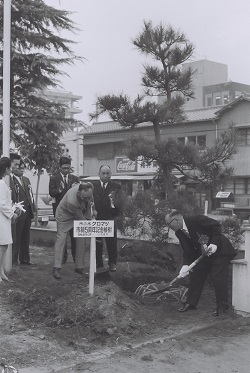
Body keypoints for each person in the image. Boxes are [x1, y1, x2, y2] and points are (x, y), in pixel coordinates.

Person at [165, 209, 237, 316]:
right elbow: (187, 249)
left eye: (168, 223)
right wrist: (186, 265)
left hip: (220, 251)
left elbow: (216, 225)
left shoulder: (196, 219)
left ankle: (222, 307)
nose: (168, 226)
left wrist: (214, 244)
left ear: (176, 219)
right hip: (204, 254)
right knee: (196, 273)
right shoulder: (179, 232)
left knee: (218, 277)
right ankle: (191, 303)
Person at [52, 182, 95, 280]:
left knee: (81, 238)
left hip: (79, 214)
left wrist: (93, 212)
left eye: (89, 196)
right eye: (85, 197)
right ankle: (56, 267)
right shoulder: (72, 201)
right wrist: (90, 226)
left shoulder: (89, 192)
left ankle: (79, 267)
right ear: (79, 193)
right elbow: (81, 218)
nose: (87, 199)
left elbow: (91, 203)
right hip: (64, 216)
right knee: (61, 239)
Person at [92, 165, 123, 272]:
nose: (105, 176)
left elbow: (120, 203)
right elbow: (89, 202)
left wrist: (116, 213)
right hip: (97, 218)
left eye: (107, 173)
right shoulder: (93, 186)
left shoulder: (116, 186)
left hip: (110, 217)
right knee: (97, 243)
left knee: (112, 243)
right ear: (99, 174)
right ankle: (98, 264)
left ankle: (112, 263)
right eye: (103, 173)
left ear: (111, 174)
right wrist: (92, 212)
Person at [49, 156, 79, 262]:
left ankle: (76, 258)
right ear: (59, 167)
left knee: (74, 237)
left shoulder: (75, 178)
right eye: (64, 168)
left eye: (68, 168)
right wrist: (59, 189)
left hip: (73, 213)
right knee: (62, 237)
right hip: (61, 213)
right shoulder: (54, 178)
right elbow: (51, 193)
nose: (66, 170)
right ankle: (62, 258)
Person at [11, 160, 35, 265]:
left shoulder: (26, 180)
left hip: (28, 211)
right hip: (18, 211)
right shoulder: (11, 180)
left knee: (26, 236)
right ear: (13, 168)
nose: (21, 170)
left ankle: (25, 258)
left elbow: (30, 195)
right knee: (17, 236)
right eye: (19, 167)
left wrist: (33, 208)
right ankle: (13, 260)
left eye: (22, 168)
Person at [0, 157, 18, 281]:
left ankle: (1, 273)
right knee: (3, 246)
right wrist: (12, 214)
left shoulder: (2, 182)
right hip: (2, 218)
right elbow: (1, 203)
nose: (11, 170)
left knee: (3, 246)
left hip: (3, 218)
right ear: (6, 169)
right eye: (10, 167)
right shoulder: (1, 184)